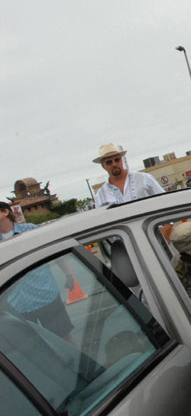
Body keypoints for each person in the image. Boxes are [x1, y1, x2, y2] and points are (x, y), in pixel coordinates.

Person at [0, 202, 76, 342]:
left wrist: (68, 275)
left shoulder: (30, 230)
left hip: (46, 296)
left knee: (64, 337)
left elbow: (54, 254)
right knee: (35, 349)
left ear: (5, 212)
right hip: (18, 304)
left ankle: (78, 363)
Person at [93, 143, 165, 208]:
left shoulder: (144, 179)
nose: (114, 164)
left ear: (121, 160)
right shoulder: (100, 196)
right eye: (109, 162)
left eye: (117, 160)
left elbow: (165, 200)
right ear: (103, 166)